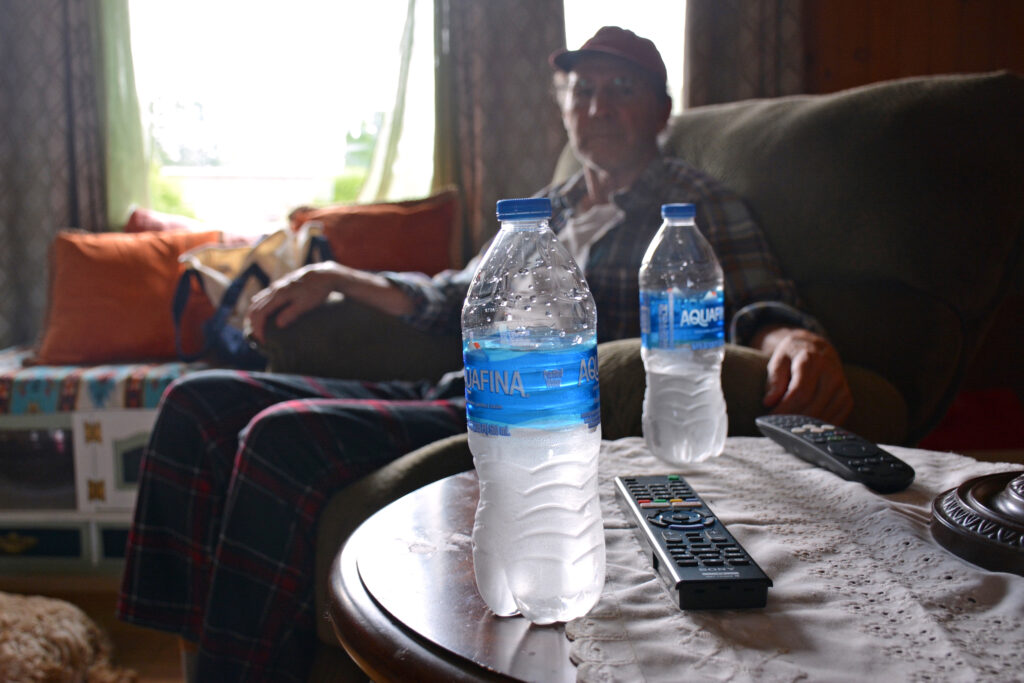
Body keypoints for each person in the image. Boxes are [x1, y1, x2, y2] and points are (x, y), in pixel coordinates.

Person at [117, 26, 852, 682]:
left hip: (529, 418)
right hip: (457, 382)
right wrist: (340, 276)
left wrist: (783, 331)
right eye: (582, 89)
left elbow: (751, 294)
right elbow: (454, 296)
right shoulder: (548, 206)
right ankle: (189, 661)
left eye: (620, 89)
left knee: (278, 437)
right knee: (195, 402)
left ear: (661, 110)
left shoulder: (694, 203)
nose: (595, 106)